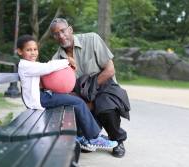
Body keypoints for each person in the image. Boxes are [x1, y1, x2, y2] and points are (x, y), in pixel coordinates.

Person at [17, 34, 118, 152]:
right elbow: (47, 67)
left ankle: (81, 136)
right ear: (19, 51)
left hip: (42, 96)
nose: (33, 52)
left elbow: (45, 70)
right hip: (39, 100)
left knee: (73, 101)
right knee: (78, 102)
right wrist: (67, 61)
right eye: (29, 50)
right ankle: (94, 138)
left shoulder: (30, 65)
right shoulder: (25, 65)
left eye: (35, 49)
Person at [50, 18, 130, 158]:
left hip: (105, 87)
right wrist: (82, 99)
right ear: (54, 37)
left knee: (105, 106)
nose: (61, 36)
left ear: (70, 29)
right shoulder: (56, 60)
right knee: (81, 123)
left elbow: (110, 70)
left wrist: (90, 94)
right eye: (56, 34)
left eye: (63, 31)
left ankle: (117, 140)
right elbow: (63, 89)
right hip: (81, 96)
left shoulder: (92, 39)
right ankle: (92, 137)